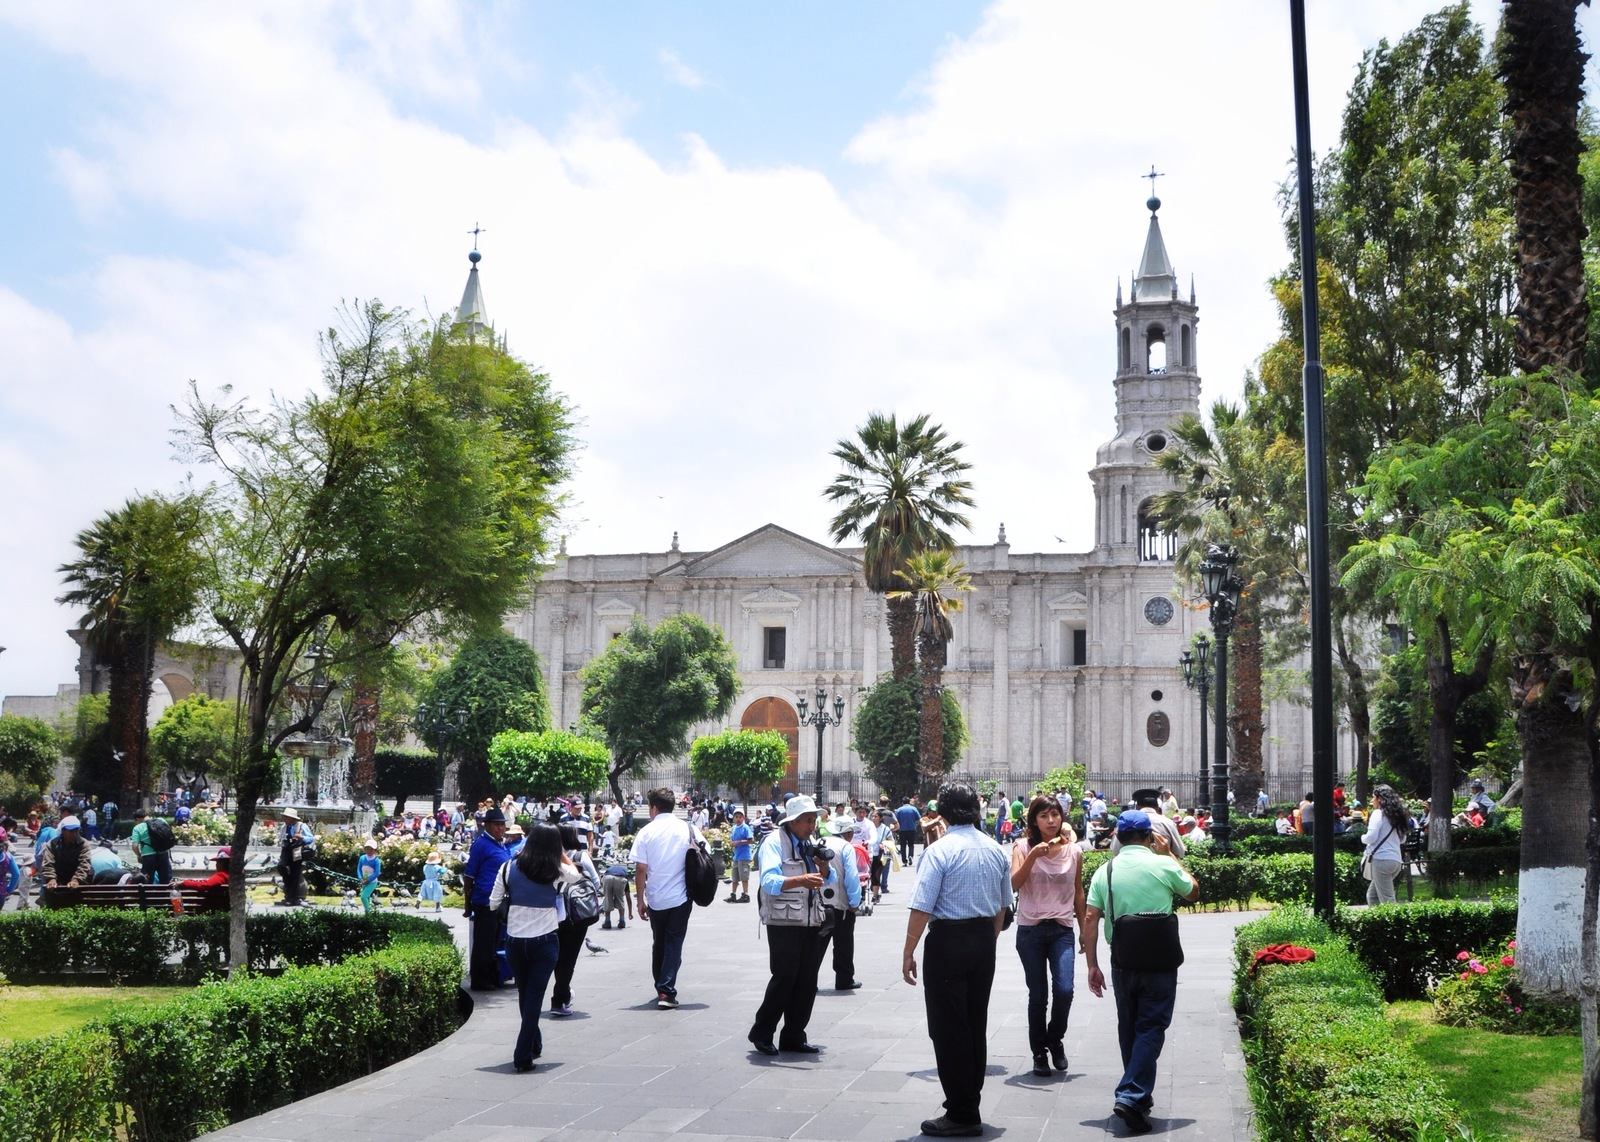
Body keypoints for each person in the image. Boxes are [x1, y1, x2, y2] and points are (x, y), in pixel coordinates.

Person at [901, 782, 1011, 1138]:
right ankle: (970, 1102)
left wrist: (908, 950)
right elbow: (1002, 906)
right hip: (982, 939)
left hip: (948, 941)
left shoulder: (940, 851)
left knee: (948, 1027)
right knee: (975, 1022)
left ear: (942, 813)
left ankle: (961, 1112)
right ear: (977, 811)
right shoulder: (996, 850)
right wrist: (987, 939)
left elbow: (922, 905)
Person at [1082, 810, 1200, 1135]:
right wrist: (1171, 855)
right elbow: (1193, 891)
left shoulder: (1105, 871)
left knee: (1129, 1026)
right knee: (1151, 1025)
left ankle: (1136, 1095)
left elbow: (1091, 918)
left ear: (1117, 837)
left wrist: (1092, 964)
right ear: (1150, 837)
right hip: (1160, 960)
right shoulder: (1163, 864)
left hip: (1122, 959)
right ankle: (1132, 1094)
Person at [490, 822, 582, 1072]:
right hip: (544, 940)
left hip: (515, 941)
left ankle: (534, 1042)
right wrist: (561, 852)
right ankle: (522, 1054)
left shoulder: (508, 867)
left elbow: (493, 903)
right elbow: (576, 875)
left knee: (525, 994)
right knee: (533, 998)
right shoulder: (555, 870)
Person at [749, 795, 837, 1055]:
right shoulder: (774, 843)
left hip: (810, 919)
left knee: (808, 980)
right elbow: (770, 882)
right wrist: (801, 880)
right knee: (785, 977)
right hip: (783, 920)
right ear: (794, 821)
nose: (813, 825)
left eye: (814, 820)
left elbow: (826, 879)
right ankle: (762, 1032)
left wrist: (824, 867)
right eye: (808, 820)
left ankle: (794, 1035)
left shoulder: (808, 844)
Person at [1011, 794, 1084, 1078]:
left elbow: (1078, 891)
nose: (1051, 821)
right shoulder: (1021, 847)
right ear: (1034, 820)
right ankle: (1039, 1051)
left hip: (1062, 929)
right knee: (1038, 995)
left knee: (1065, 990)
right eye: (1044, 816)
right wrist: (1033, 856)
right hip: (1030, 929)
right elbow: (1014, 885)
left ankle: (1055, 1038)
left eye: (1055, 815)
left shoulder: (1074, 851)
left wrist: (1083, 931)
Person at [632, 788, 697, 1009]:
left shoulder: (646, 832)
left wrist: (640, 900)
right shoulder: (687, 828)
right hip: (681, 897)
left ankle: (661, 986)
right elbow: (702, 853)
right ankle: (666, 990)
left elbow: (641, 869)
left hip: (656, 898)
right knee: (673, 942)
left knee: (659, 942)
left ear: (653, 807)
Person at [551, 822, 602, 1017]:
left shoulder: (550, 856)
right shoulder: (581, 856)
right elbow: (596, 882)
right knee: (569, 958)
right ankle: (560, 998)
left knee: (558, 956)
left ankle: (561, 993)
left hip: (554, 913)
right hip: (578, 913)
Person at [461, 808, 513, 991]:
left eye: (502, 825)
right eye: (497, 825)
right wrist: (467, 904)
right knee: (484, 942)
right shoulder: (481, 844)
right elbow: (469, 876)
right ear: (487, 825)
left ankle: (492, 975)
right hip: (485, 900)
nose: (501, 829)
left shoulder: (500, 844)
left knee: (493, 941)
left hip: (498, 900)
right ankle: (480, 979)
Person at [816, 816, 864, 991]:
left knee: (817, 945)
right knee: (843, 943)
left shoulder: (819, 841)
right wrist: (854, 901)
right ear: (848, 833)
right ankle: (844, 978)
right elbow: (852, 876)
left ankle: (808, 979)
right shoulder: (846, 847)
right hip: (840, 903)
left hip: (819, 902)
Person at [1362, 784, 1409, 905]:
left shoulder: (1378, 813)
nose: (1372, 800)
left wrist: (1362, 838)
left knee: (1388, 900)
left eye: (1373, 797)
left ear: (1380, 799)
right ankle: (1377, 922)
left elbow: (1371, 837)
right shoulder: (1396, 815)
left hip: (1381, 861)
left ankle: (1394, 923)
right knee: (1372, 896)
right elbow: (1402, 839)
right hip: (1396, 861)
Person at [1110, 790, 1185, 859]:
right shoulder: (1168, 823)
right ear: (1157, 807)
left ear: (1137, 807)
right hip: (1162, 870)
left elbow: (1114, 851)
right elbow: (1180, 852)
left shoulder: (1125, 822)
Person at [40, 815, 92, 891]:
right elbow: (48, 863)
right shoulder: (52, 844)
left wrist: (76, 879)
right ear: (63, 831)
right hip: (59, 876)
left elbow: (84, 863)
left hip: (79, 879)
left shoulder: (84, 844)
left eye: (76, 830)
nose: (74, 834)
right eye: (71, 831)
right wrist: (51, 878)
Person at [276, 808, 314, 906]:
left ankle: (291, 897)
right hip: (286, 850)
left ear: (292, 818)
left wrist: (302, 838)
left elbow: (311, 838)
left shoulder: (301, 826)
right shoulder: (284, 827)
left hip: (297, 850)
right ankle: (289, 887)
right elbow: (281, 838)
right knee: (281, 867)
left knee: (295, 874)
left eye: (286, 817)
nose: (284, 819)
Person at [130, 809, 173, 886]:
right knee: (166, 880)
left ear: (138, 819)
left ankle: (149, 897)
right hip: (163, 853)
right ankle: (165, 896)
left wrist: (139, 855)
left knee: (147, 881)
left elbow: (134, 846)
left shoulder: (137, 828)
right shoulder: (161, 820)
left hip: (148, 856)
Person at [726, 809, 754, 903]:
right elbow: (732, 840)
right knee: (735, 878)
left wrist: (739, 842)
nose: (738, 819)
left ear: (743, 818)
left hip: (744, 856)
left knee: (744, 878)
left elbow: (751, 840)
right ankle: (733, 895)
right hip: (736, 856)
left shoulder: (745, 827)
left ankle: (746, 895)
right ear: (733, 818)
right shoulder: (734, 828)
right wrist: (732, 843)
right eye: (736, 817)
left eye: (740, 817)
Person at [357, 839, 382, 914]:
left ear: (375, 850)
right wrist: (360, 878)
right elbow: (359, 869)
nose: (369, 851)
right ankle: (370, 910)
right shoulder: (362, 858)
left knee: (363, 896)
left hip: (372, 882)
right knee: (367, 897)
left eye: (371, 849)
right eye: (367, 848)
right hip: (364, 881)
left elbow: (377, 873)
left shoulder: (376, 860)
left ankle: (368, 912)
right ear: (365, 849)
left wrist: (368, 880)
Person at [895, 796, 922, 866]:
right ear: (909, 802)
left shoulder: (899, 810)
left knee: (903, 846)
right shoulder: (914, 809)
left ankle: (904, 861)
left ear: (902, 802)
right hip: (912, 829)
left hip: (902, 830)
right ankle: (910, 856)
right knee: (911, 845)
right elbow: (919, 818)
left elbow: (895, 820)